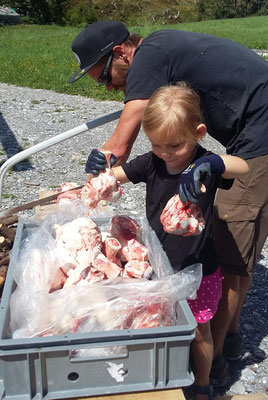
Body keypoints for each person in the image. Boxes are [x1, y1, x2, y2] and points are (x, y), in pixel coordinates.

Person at [68, 20, 268, 385]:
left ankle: (215, 363)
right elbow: (128, 162)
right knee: (231, 241)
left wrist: (94, 179)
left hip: (261, 132)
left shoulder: (147, 57)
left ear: (120, 53)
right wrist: (106, 173)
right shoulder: (160, 50)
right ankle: (231, 336)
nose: (110, 87)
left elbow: (123, 140)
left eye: (104, 77)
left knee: (233, 245)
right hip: (250, 127)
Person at [86, 84, 249, 399]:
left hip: (199, 270)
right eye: (157, 144)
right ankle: (167, 365)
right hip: (161, 266)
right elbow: (115, 176)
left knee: (199, 332)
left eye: (173, 145)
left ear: (198, 133)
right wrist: (100, 170)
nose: (164, 153)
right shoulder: (151, 163)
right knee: (162, 320)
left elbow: (242, 167)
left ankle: (203, 382)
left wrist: (212, 165)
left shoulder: (203, 163)